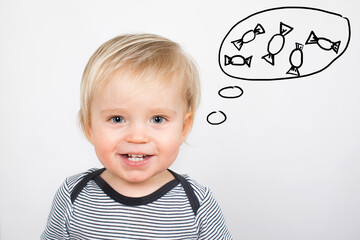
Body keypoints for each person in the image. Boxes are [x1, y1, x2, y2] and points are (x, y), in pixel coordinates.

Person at [41, 33, 233, 239]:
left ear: (184, 127)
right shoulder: (73, 195)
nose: (137, 137)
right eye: (117, 119)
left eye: (158, 119)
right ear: (89, 126)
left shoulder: (197, 203)